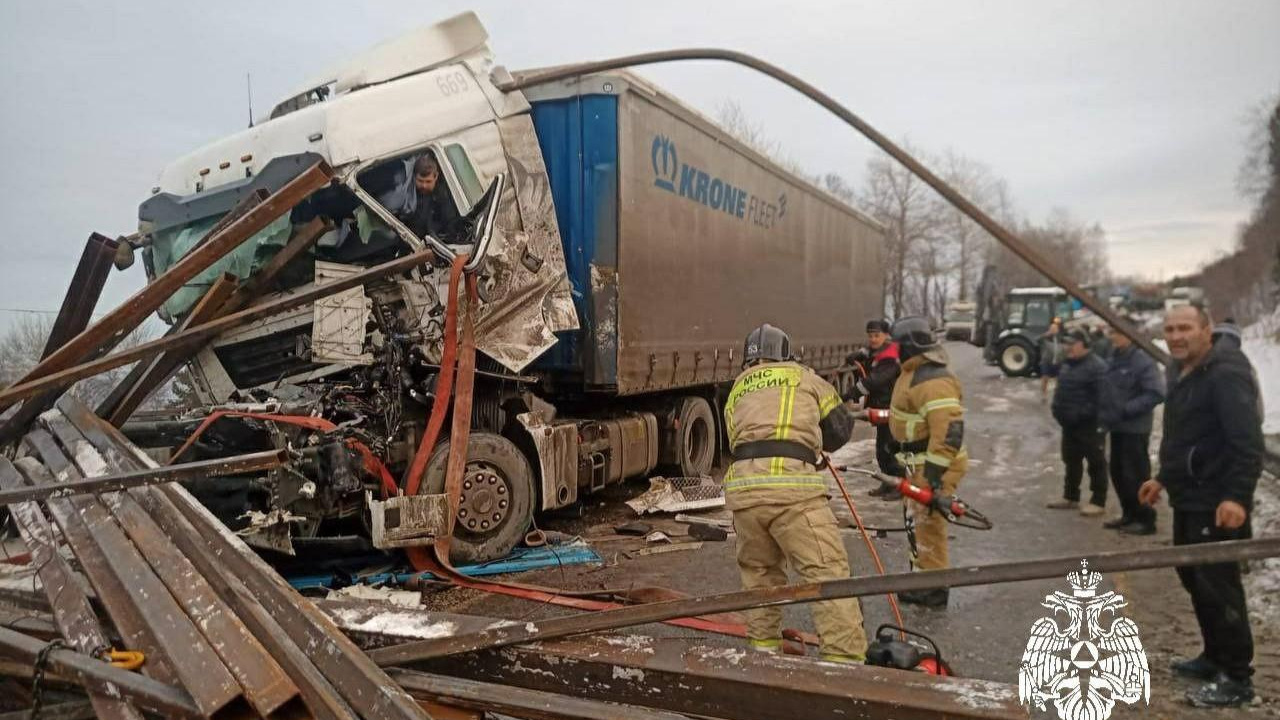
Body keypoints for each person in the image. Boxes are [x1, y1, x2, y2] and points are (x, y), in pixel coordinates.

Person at [1138, 304, 1262, 708]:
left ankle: (1237, 677)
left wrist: (1236, 497)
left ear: (1206, 331)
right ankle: (1214, 656)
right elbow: (1182, 437)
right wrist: (1163, 479)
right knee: (1193, 576)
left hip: (1217, 498)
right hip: (1189, 495)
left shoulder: (1226, 373)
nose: (1176, 336)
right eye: (1170, 329)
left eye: (1185, 328)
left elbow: (1246, 443)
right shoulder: (1183, 370)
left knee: (1219, 584)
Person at [723, 323, 867, 661]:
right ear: (786, 353)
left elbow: (737, 440)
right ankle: (844, 668)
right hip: (794, 492)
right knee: (827, 578)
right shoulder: (804, 377)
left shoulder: (737, 389)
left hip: (745, 494)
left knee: (760, 579)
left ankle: (763, 657)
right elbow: (839, 430)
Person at [885, 316, 967, 608]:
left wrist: (932, 477)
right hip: (917, 461)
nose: (893, 351)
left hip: (933, 464)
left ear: (910, 346)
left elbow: (949, 432)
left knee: (927, 522)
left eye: (897, 345)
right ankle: (921, 578)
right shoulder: (914, 372)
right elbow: (912, 413)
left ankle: (933, 588)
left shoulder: (932, 379)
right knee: (916, 522)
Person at [1098, 322, 1164, 535]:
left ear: (1129, 335)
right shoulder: (1115, 357)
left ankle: (1145, 520)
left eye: (1116, 332)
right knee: (1118, 473)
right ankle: (1129, 514)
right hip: (1117, 426)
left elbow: (1155, 392)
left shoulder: (1142, 360)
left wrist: (1126, 410)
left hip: (1135, 428)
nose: (1112, 337)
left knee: (1135, 474)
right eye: (1111, 332)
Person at [1046, 328, 1109, 516]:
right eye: (1066, 343)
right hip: (1069, 424)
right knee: (1071, 460)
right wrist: (1057, 409)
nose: (1068, 347)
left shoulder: (1097, 367)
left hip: (1089, 425)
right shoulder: (1068, 364)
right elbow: (1060, 390)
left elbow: (1101, 398)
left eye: (1072, 344)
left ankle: (1098, 501)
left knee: (1095, 462)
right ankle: (1071, 496)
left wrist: (1082, 414)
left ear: (1085, 345)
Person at [845, 319, 905, 497]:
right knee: (881, 450)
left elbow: (874, 381)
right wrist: (857, 355)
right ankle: (888, 483)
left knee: (889, 450)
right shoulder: (879, 350)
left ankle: (900, 486)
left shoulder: (891, 357)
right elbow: (868, 352)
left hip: (891, 408)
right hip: (882, 407)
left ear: (886, 335)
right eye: (870, 336)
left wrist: (850, 394)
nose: (872, 339)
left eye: (876, 335)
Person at [399, 153, 465, 243]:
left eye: (428, 181)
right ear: (414, 177)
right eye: (420, 181)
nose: (424, 185)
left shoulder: (444, 195)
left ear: (436, 176)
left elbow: (451, 223)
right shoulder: (408, 198)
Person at [1038, 318, 1064, 401]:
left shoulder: (1061, 338)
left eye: (1055, 329)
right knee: (1045, 378)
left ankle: (1058, 395)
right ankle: (1044, 395)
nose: (1053, 330)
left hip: (1058, 361)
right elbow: (1038, 340)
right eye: (1052, 328)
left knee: (1058, 379)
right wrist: (1047, 334)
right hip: (1046, 361)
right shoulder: (1046, 338)